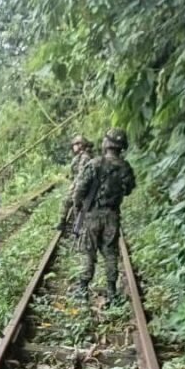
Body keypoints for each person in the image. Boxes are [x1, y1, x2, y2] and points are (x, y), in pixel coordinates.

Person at [71, 128, 136, 302]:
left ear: (106, 143)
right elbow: (129, 189)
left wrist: (79, 211)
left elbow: (78, 192)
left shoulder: (94, 163)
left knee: (88, 252)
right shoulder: (125, 167)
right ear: (122, 147)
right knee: (110, 252)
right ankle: (111, 291)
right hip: (112, 215)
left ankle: (83, 289)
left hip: (92, 215)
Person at [56, 134, 94, 232]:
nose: (73, 147)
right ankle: (63, 222)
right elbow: (74, 174)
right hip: (78, 184)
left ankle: (78, 225)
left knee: (75, 202)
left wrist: (74, 187)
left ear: (80, 145)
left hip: (83, 186)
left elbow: (81, 175)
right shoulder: (78, 157)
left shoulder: (85, 157)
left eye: (75, 144)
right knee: (66, 201)